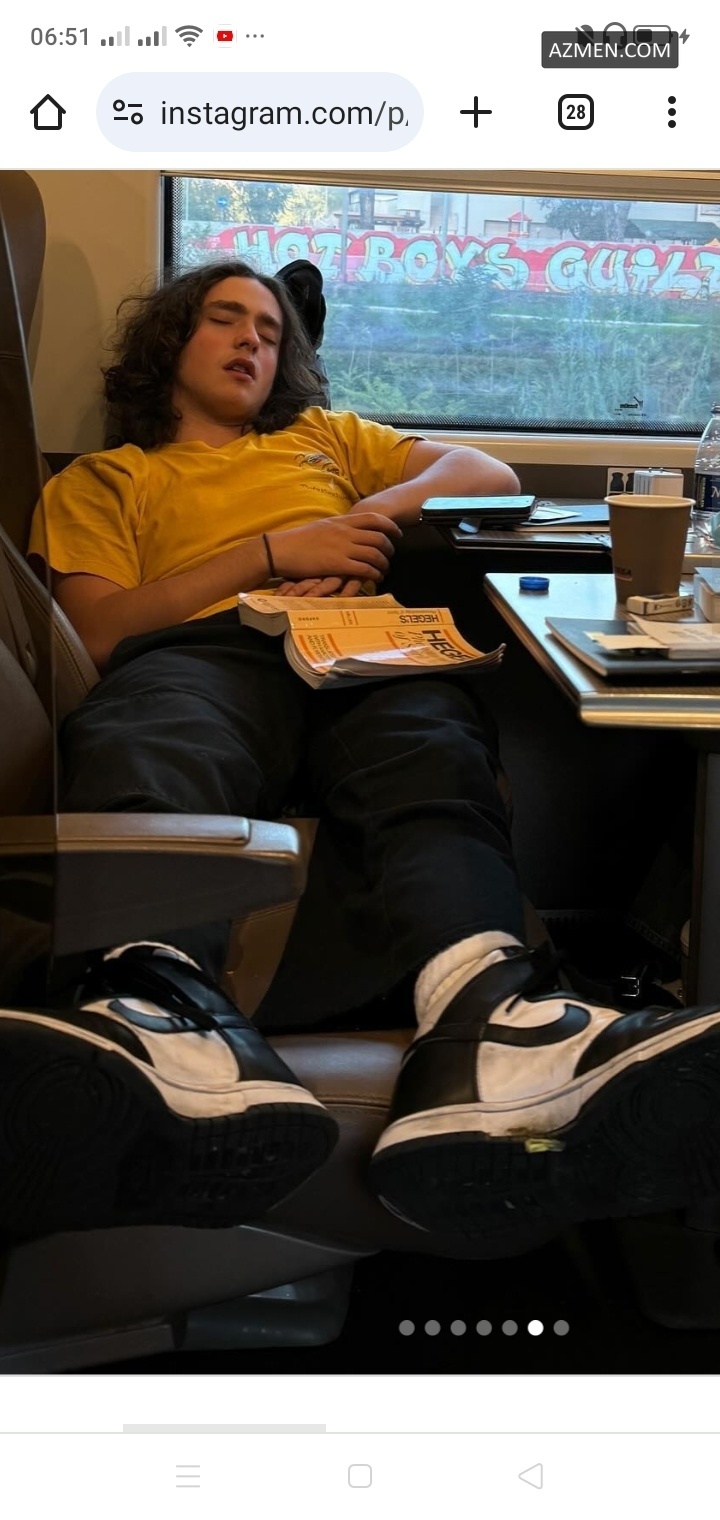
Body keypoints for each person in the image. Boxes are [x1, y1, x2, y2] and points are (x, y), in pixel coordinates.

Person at [15, 257, 720, 1253]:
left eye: (271, 331)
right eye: (225, 319)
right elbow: (94, 633)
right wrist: (273, 552)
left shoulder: (323, 440)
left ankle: (487, 1017)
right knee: (160, 733)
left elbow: (489, 474)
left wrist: (366, 517)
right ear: (169, 344)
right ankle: (155, 1003)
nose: (253, 339)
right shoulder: (108, 477)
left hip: (364, 645)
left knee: (430, 746)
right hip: (207, 648)